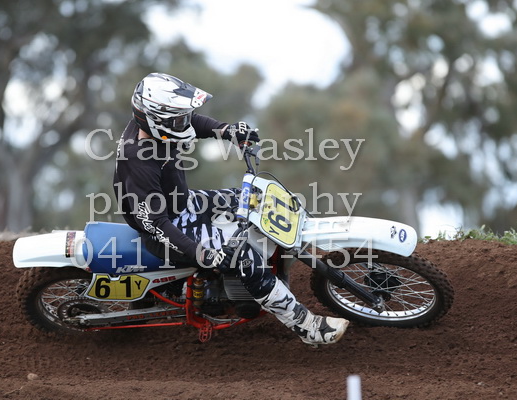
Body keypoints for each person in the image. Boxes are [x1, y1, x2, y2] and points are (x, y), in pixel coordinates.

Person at [113, 72, 349, 345]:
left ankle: (280, 269)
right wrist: (204, 254)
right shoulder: (137, 160)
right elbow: (156, 224)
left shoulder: (156, 127)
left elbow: (192, 123)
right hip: (165, 229)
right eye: (178, 119)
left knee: (257, 199)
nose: (185, 122)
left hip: (183, 203)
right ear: (156, 120)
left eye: (183, 117)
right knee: (243, 256)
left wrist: (227, 131)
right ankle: (306, 327)